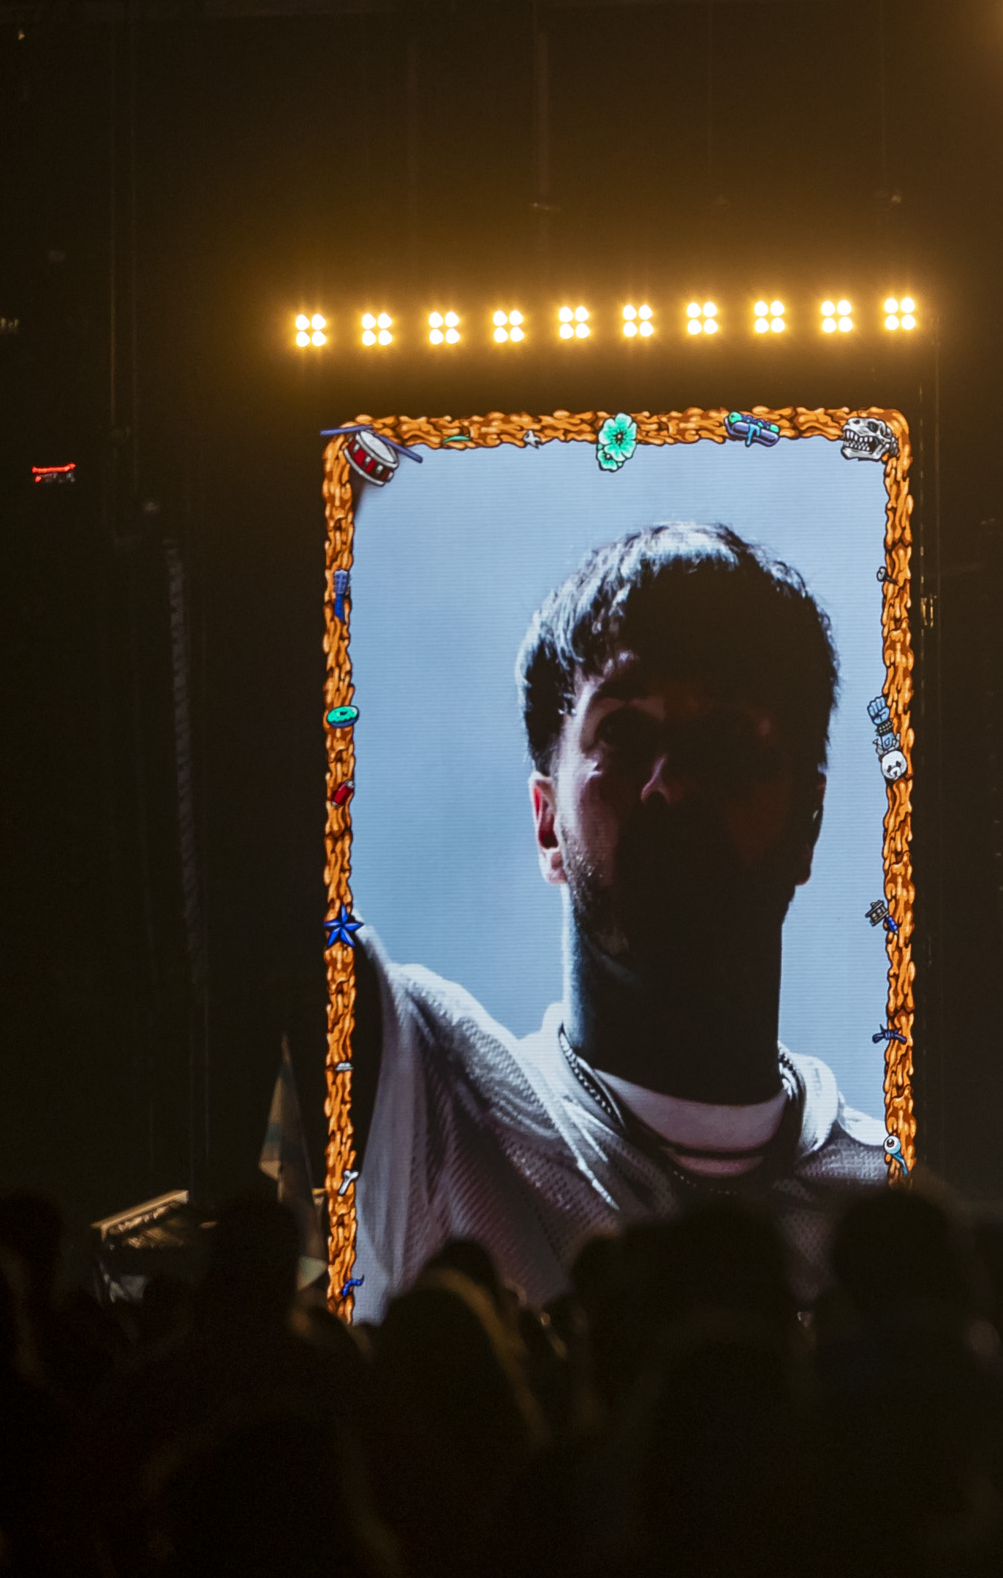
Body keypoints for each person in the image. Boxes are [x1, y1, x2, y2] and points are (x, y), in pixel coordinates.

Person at [349, 523, 887, 1320]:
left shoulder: (884, 1202)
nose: (672, 785)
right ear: (545, 822)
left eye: (727, 739)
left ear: (809, 820)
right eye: (626, 734)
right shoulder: (433, 1089)